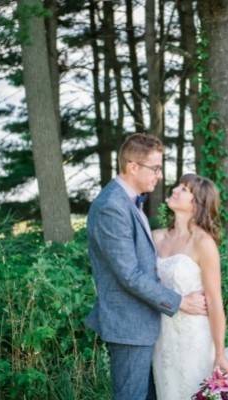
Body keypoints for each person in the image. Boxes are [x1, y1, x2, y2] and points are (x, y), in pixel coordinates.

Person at [85, 133, 208, 400]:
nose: (160, 175)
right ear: (132, 167)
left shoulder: (130, 201)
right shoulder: (111, 207)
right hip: (128, 326)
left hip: (145, 325)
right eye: (155, 168)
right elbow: (129, 274)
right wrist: (180, 302)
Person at [152, 173, 228, 400]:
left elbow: (215, 301)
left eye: (184, 189)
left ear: (197, 204)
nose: (175, 190)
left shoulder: (203, 243)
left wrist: (220, 353)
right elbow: (145, 285)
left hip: (193, 337)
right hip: (163, 336)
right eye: (177, 185)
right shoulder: (156, 238)